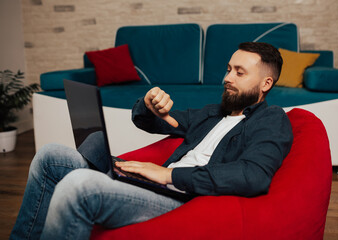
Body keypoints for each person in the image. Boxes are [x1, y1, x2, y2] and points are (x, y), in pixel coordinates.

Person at [10, 42, 293, 240]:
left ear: (265, 84)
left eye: (239, 72)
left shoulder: (271, 120)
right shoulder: (212, 113)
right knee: (51, 156)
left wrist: (168, 174)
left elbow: (253, 175)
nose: (227, 78)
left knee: (78, 185)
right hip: (157, 186)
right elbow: (154, 121)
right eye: (228, 69)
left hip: (185, 200)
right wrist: (147, 104)